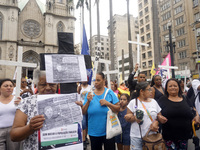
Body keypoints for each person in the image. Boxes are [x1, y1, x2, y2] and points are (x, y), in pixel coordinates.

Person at [10, 68, 57, 150]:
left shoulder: (66, 101)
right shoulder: (26, 103)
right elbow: (14, 136)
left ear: (57, 84)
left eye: (52, 84)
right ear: (37, 85)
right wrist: (29, 128)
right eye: (43, 84)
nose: (48, 88)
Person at [158, 78, 199, 149]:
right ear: (166, 89)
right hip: (169, 137)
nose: (173, 87)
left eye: (175, 86)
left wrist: (197, 116)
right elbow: (157, 113)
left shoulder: (185, 98)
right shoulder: (162, 100)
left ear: (178, 88)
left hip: (184, 136)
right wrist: (159, 116)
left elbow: (193, 109)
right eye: (170, 86)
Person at [82, 72, 120, 150]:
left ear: (104, 81)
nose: (96, 82)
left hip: (109, 131)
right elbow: (83, 112)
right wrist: (88, 101)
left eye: (98, 80)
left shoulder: (109, 93)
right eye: (95, 80)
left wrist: (108, 103)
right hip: (94, 132)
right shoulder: (89, 94)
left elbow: (118, 108)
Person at [124, 82, 166, 150]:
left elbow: (159, 115)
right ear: (141, 91)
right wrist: (134, 118)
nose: (151, 91)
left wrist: (157, 121)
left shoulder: (154, 102)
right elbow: (128, 118)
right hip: (137, 136)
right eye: (149, 89)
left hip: (152, 135)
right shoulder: (133, 102)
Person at [0, 79, 21, 150]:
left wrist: (22, 105)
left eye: (11, 86)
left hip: (13, 131)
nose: (9, 88)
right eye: (6, 86)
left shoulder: (18, 99)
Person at [76, 80, 91, 150]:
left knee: (87, 124)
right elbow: (77, 96)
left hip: (89, 106)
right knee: (84, 123)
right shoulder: (79, 87)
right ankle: (84, 140)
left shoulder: (90, 87)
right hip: (82, 107)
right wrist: (78, 91)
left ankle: (86, 137)